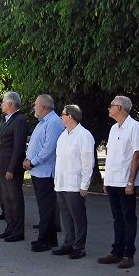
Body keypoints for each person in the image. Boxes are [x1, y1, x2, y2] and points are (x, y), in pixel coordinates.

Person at [98, 95, 139, 269]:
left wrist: (131, 181)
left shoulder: (134, 127)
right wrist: (106, 180)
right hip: (113, 181)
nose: (109, 108)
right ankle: (116, 251)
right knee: (117, 218)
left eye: (112, 105)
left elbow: (137, 154)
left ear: (120, 108)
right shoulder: (113, 129)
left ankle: (128, 253)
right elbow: (111, 157)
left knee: (128, 217)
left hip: (126, 182)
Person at [52, 105, 95, 259]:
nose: (61, 117)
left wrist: (84, 185)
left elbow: (87, 163)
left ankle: (79, 246)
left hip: (75, 184)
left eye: (62, 115)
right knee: (66, 216)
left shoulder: (84, 135)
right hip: (61, 183)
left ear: (69, 116)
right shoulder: (63, 136)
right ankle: (68, 244)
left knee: (78, 217)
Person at [23, 94, 65, 252]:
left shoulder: (53, 122)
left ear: (42, 106)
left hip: (46, 172)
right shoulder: (43, 122)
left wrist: (33, 161)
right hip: (38, 171)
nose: (34, 107)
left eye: (35, 104)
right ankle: (50, 238)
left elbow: (49, 148)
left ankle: (44, 240)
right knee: (44, 207)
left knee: (46, 207)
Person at [0, 91, 30, 242]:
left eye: (3, 102)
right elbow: (3, 141)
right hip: (2, 166)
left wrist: (11, 169)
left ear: (10, 104)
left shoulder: (19, 120)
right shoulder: (6, 120)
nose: (1, 104)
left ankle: (18, 231)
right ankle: (10, 227)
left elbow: (18, 147)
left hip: (10, 168)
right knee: (6, 199)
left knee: (15, 199)